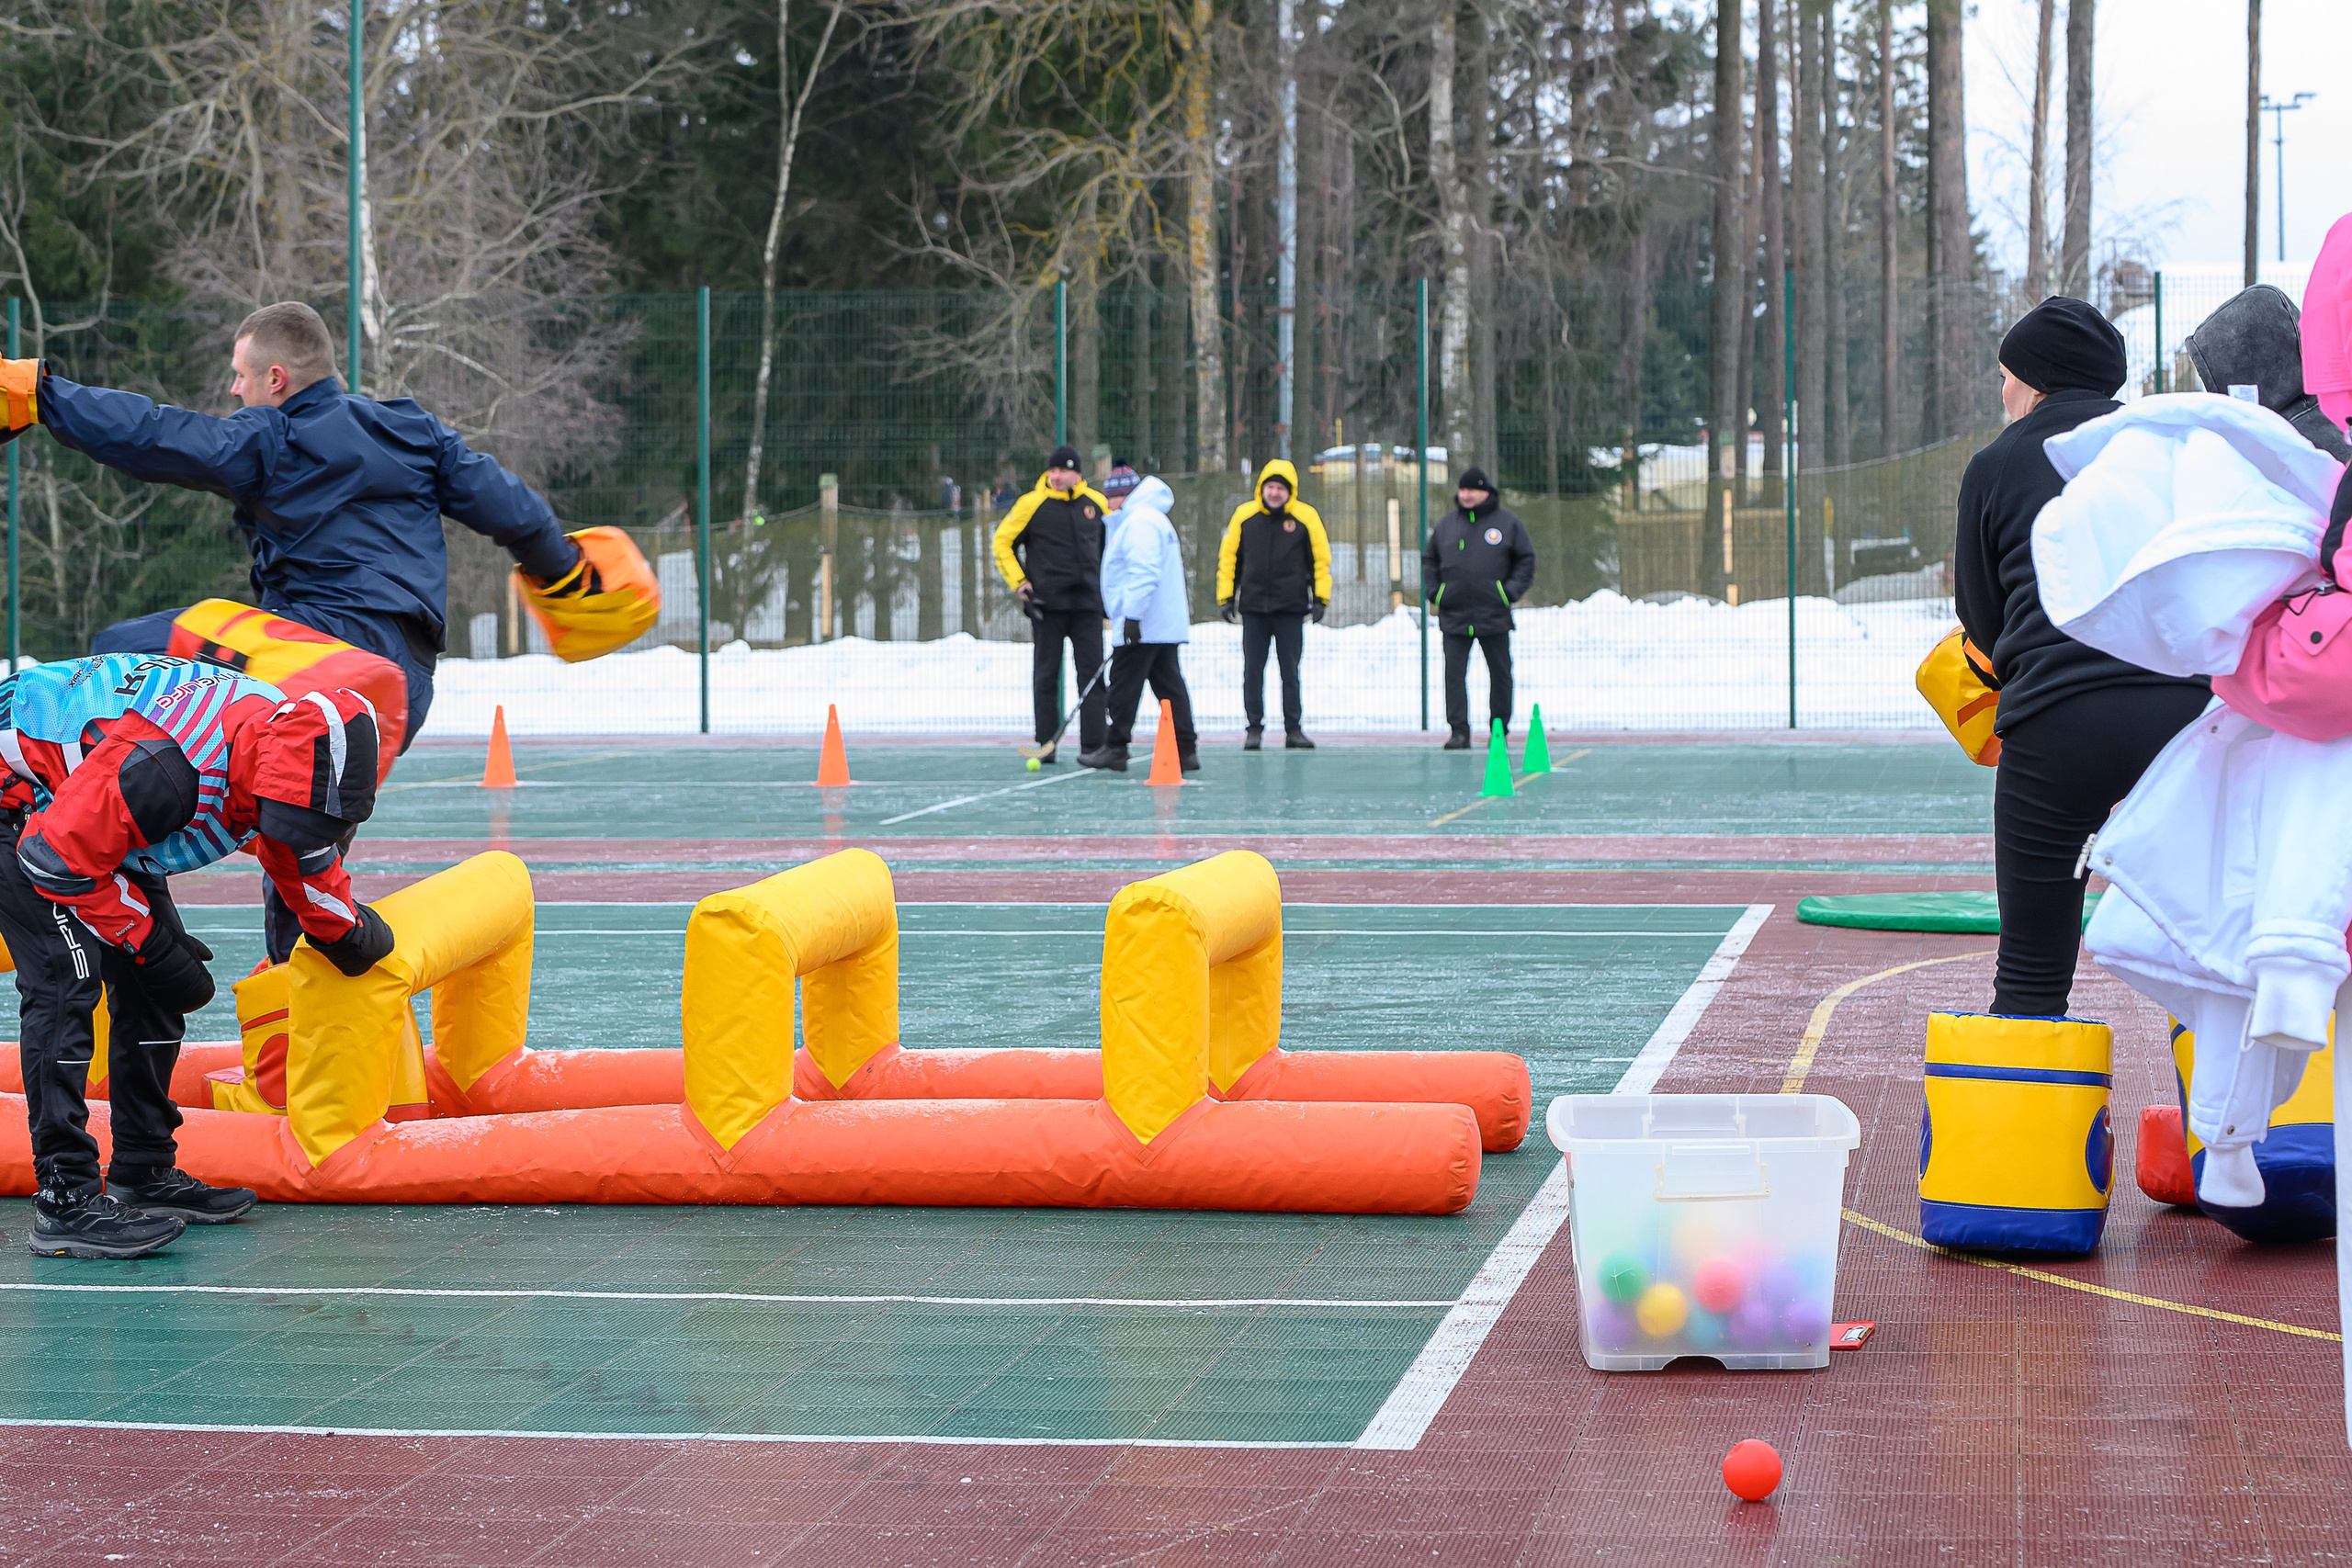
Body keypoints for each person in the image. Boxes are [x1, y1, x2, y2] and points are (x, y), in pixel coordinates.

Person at [0, 302, 627, 962]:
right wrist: (570, 579)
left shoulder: (272, 437)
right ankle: (299, 1011)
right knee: (299, 844)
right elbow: (514, 508)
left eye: (240, 377)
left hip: (311, 658)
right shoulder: (412, 431)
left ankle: (64, 861)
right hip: (397, 689)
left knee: (118, 657)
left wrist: (42, 395)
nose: (233, 392)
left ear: (276, 379)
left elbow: (160, 435)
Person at [0, 653, 397, 1259]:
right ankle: (65, 1199)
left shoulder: (284, 754)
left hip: (85, 806)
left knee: (153, 980)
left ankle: (142, 1170)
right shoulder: (167, 770)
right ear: (261, 784)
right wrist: (149, 940)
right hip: (22, 805)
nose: (296, 836)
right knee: (65, 976)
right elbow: (54, 859)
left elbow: (297, 850)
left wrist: (346, 929)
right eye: (286, 822)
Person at [1953, 296, 2212, 1018]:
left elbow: (1983, 622)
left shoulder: (1997, 463)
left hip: (2057, 722)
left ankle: (2035, 1125)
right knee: (2210, 952)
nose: (2001, 390)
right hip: (2183, 717)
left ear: (2034, 379)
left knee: (2032, 962)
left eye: (2005, 374)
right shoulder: (2170, 450)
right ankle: (2232, 1129)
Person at [992, 446, 1112, 762]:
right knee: (1046, 676)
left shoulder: (1097, 504)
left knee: (1093, 675)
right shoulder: (1031, 504)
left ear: (1078, 473)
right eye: (1053, 471)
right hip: (1047, 606)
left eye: (1064, 471)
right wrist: (1020, 582)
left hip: (1087, 606)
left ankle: (1094, 745)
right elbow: (1002, 542)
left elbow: (1114, 550)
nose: (1057, 477)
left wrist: (1111, 594)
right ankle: (1046, 743)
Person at [1083, 470, 1198, 773]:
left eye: (1112, 497)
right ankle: (1186, 749)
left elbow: (1144, 572)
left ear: (1125, 495)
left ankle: (1116, 747)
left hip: (1143, 624)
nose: (1108, 504)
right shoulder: (1152, 518)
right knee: (1170, 687)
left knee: (1123, 685)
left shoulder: (1140, 521)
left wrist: (1131, 616)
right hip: (1158, 624)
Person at [1216, 458, 1331, 750]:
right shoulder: (1244, 516)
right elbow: (1229, 559)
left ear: (1289, 491)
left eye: (1281, 487)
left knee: (1290, 672)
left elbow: (1320, 560)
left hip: (1290, 609)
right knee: (1252, 671)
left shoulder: (1306, 518)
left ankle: (1293, 729)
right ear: (1262, 489)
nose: (1275, 492)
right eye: (1270, 486)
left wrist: (1320, 598)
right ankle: (1254, 729)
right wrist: (1226, 596)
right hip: (1254, 608)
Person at [1423, 467, 1536, 749]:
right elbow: (1429, 561)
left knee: (1500, 674)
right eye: (1462, 490)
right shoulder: (1446, 525)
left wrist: (1507, 592)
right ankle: (1459, 732)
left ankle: (1499, 729)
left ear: (1486, 491)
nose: (1466, 495)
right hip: (1454, 615)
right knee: (1453, 677)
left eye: (1472, 489)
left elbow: (1526, 560)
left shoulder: (1508, 523)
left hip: (1493, 615)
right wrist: (1437, 594)